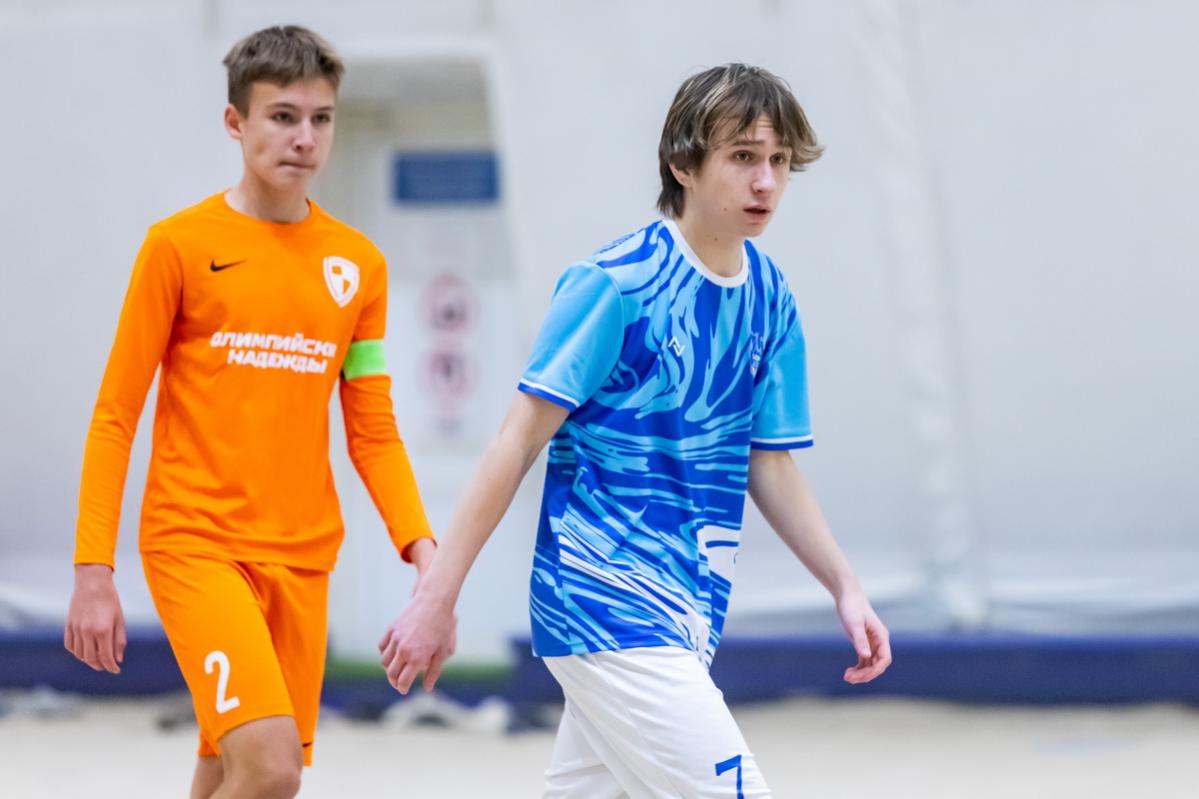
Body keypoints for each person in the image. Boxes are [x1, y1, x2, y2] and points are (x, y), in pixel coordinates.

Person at [379, 63, 892, 797]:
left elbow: (770, 464)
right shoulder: (614, 283)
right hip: (604, 600)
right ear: (683, 163)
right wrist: (437, 595)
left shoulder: (771, 297)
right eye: (742, 156)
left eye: (779, 161)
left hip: (688, 612)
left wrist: (845, 586)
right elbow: (516, 441)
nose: (766, 182)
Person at [63, 25, 436, 799]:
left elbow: (372, 428)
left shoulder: (358, 266)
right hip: (196, 544)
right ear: (236, 122)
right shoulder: (177, 246)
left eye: (320, 118)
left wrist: (423, 550)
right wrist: (92, 568)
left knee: (226, 768)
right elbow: (115, 414)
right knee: (271, 771)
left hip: (303, 558)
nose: (304, 138)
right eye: (282, 116)